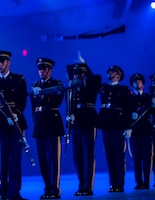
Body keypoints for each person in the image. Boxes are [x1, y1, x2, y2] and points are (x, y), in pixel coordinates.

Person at [0, 50, 28, 200]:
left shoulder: (18, 79)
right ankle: (3, 192)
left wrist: (16, 113)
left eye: (3, 61)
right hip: (0, 122)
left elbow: (22, 100)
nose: (0, 65)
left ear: (8, 62)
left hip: (16, 122)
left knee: (15, 159)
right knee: (2, 160)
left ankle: (14, 192)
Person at [65, 54, 101, 196]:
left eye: (79, 73)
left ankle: (88, 186)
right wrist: (70, 114)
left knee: (88, 155)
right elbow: (70, 102)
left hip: (88, 120)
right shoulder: (73, 87)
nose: (77, 76)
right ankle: (81, 184)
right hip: (76, 122)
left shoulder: (90, 83)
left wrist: (85, 64)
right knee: (77, 156)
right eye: (75, 74)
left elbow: (94, 81)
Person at [29, 58, 64, 199]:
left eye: (44, 69)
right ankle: (47, 189)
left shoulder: (57, 84)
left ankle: (54, 189)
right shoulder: (35, 85)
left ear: (50, 70)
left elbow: (57, 101)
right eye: (40, 69)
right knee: (43, 160)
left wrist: (41, 94)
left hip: (52, 123)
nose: (41, 72)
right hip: (40, 124)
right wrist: (34, 122)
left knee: (53, 159)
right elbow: (33, 107)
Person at [98, 65, 132, 193]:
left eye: (113, 72)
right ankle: (113, 183)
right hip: (106, 124)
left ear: (118, 75)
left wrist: (129, 126)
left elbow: (128, 109)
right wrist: (85, 64)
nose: (110, 73)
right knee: (109, 155)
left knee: (118, 156)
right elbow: (93, 81)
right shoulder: (104, 88)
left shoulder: (123, 89)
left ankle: (119, 183)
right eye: (109, 71)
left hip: (118, 124)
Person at [128, 73, 153, 190]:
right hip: (134, 132)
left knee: (147, 158)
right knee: (136, 158)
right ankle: (138, 182)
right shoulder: (129, 98)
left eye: (139, 81)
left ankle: (146, 182)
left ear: (143, 83)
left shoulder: (148, 98)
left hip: (147, 132)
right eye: (135, 81)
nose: (137, 83)